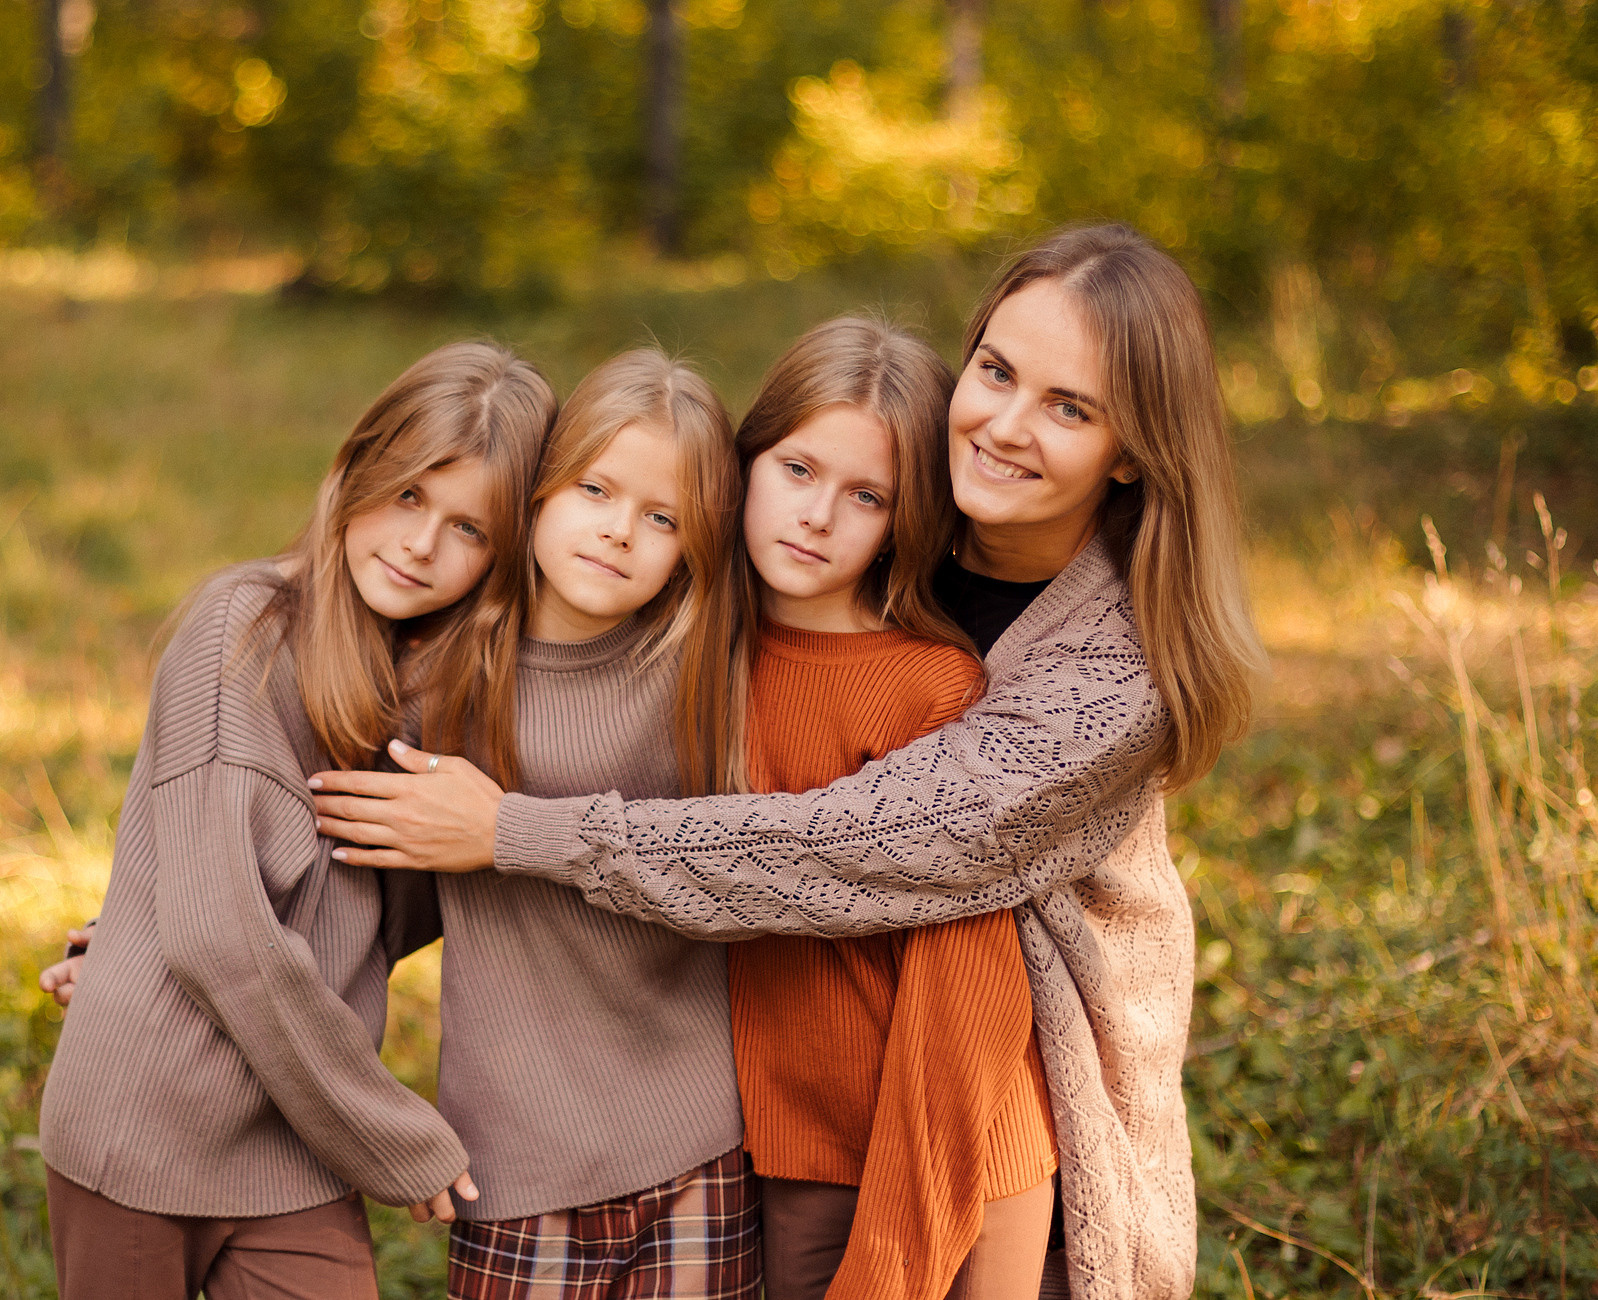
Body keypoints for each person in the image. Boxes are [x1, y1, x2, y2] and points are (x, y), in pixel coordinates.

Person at [308, 224, 1266, 1300]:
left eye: (1070, 408)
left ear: (1134, 449)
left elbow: (858, 844)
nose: (1004, 425)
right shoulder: (871, 548)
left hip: (1018, 1108)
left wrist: (517, 830)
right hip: (795, 1110)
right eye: (997, 372)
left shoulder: (1112, 670)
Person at [35, 341, 555, 1300]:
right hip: (144, 1122)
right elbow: (220, 930)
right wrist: (390, 1134)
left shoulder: (444, 692)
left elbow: (395, 907)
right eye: (407, 495)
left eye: (468, 528)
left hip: (291, 1145)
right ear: (355, 471)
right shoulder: (244, 631)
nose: (421, 544)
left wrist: (131, 933)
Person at [718, 314, 1056, 1300]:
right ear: (746, 461)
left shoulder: (931, 687)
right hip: (799, 1147)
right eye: (797, 469)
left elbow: (968, 990)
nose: (817, 516)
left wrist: (897, 1254)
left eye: (867, 496)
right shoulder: (703, 660)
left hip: (960, 1154)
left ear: (905, 523)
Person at [416, 347, 759, 1300]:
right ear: (539, 490)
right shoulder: (443, 678)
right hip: (516, 1154)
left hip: (697, 1141)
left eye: (663, 518)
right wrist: (132, 939)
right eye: (595, 490)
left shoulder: (705, 672)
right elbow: (335, 862)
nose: (619, 531)